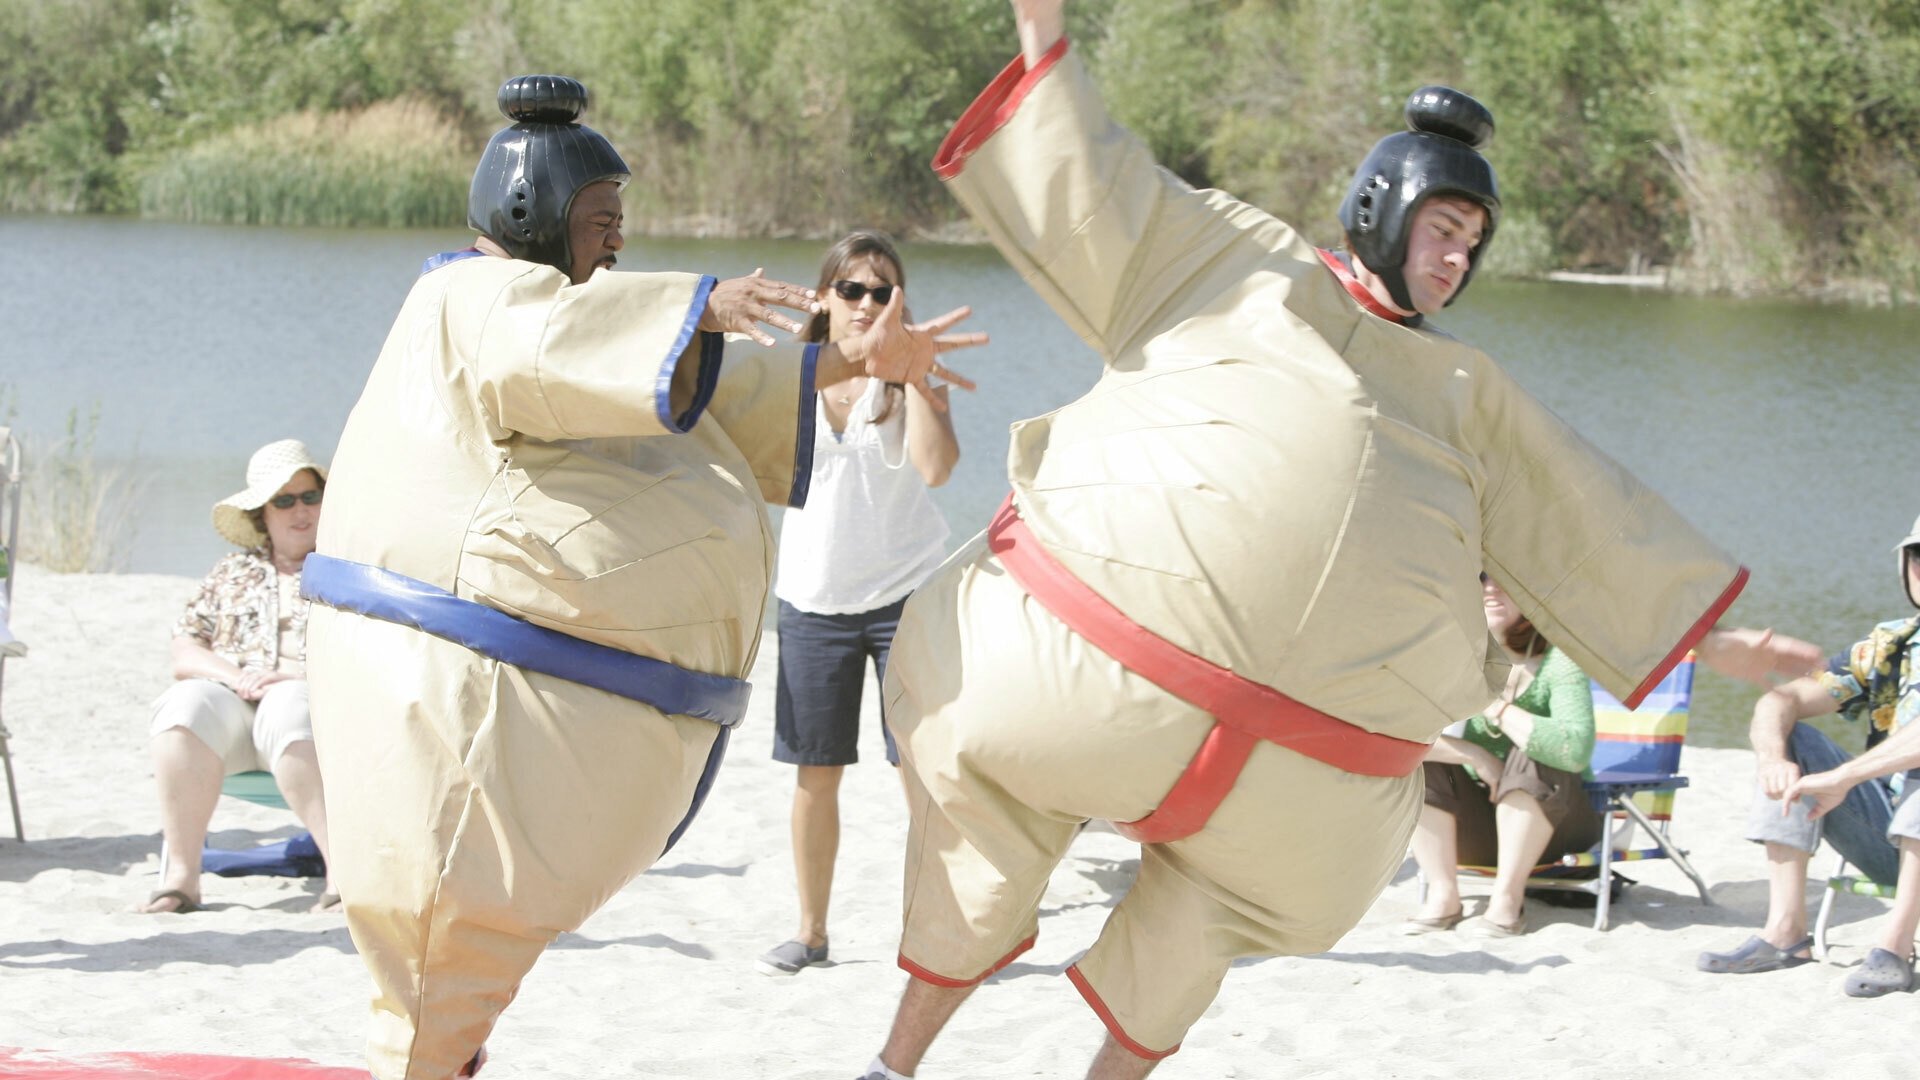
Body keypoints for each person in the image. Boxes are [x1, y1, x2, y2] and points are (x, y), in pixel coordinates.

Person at [858, 3, 1822, 1078]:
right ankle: (892, 1068)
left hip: (1295, 783)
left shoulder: (1469, 393)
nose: (1456, 259)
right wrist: (1045, 45)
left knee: (1194, 942)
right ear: (1382, 205)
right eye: (1443, 230)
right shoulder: (1237, 263)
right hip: (1088, 675)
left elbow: (1585, 525)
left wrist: (1717, 644)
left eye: (1473, 244)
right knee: (981, 848)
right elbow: (1099, 180)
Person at [301, 75, 981, 1080]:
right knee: (439, 949)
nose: (618, 238)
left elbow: (705, 396)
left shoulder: (557, 344)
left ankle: (445, 1055)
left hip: (493, 692)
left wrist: (857, 360)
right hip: (450, 688)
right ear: (531, 211)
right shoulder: (470, 302)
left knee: (452, 968)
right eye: (601, 219)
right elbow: (569, 336)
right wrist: (699, 301)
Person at [758, 230, 961, 977]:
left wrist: (917, 378)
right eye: (852, 289)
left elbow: (937, 470)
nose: (867, 302)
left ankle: (947, 933)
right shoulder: (791, 377)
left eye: (883, 291)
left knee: (921, 773)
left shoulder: (909, 378)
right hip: (812, 602)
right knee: (815, 775)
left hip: (904, 597)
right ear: (823, 298)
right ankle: (811, 935)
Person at [1697, 514, 1920, 997]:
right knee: (1791, 737)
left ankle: (1895, 947)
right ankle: (1786, 933)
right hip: (1890, 838)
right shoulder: (1890, 646)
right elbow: (1780, 700)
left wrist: (1846, 776)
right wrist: (1773, 759)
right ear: (1905, 565)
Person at [141, 439, 336, 915]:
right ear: (261, 514)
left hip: (314, 715)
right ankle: (181, 880)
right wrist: (238, 676)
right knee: (184, 705)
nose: (300, 510)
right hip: (235, 711)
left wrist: (291, 678)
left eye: (310, 496)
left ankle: (342, 876)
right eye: (283, 501)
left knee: (288, 703)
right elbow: (185, 648)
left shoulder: (348, 569)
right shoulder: (232, 572)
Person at [1405, 575, 1600, 937]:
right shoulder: (1459, 659)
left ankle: (1507, 900)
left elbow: (1574, 749)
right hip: (1480, 830)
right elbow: (1401, 737)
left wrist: (1494, 706)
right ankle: (1444, 895)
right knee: (1420, 762)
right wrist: (1475, 755)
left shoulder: (1559, 661)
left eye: (1505, 579)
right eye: (1481, 578)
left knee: (1533, 752)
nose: (1491, 588)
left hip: (1560, 829)